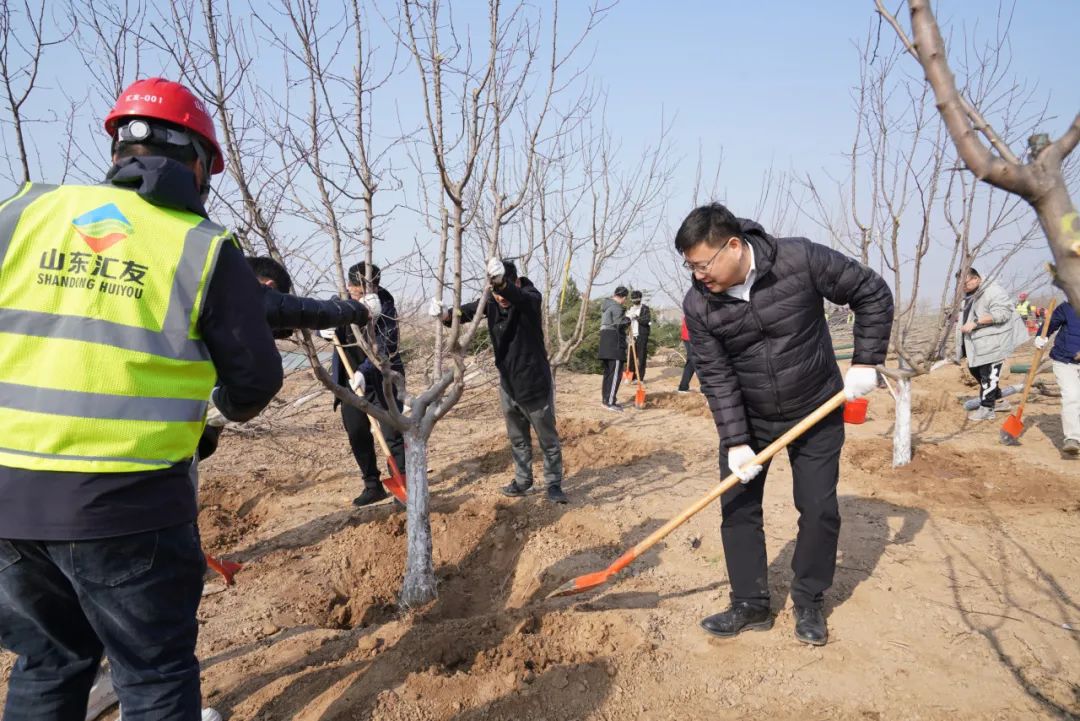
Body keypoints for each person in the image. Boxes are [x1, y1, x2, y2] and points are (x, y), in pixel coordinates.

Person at [0, 77, 282, 721]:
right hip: (127, 508)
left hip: (9, 503)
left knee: (47, 663)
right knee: (153, 676)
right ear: (198, 163)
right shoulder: (199, 245)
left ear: (118, 151)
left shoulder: (23, 211)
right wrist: (214, 414)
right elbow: (256, 379)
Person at [678, 202, 893, 647]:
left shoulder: (800, 259)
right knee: (738, 508)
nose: (698, 276)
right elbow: (715, 375)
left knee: (818, 509)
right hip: (750, 416)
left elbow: (870, 291)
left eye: (702, 265)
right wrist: (736, 440)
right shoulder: (699, 304)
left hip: (816, 406)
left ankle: (809, 599)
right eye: (691, 267)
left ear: (733, 246)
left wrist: (867, 361)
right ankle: (749, 603)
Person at [195, 256, 381, 462]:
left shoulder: (201, 291)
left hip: (183, 439)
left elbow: (383, 345)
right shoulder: (240, 292)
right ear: (268, 287)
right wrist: (359, 310)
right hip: (181, 438)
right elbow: (300, 310)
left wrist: (363, 369)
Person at [430, 259, 567, 503]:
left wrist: (502, 285)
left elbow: (519, 297)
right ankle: (523, 481)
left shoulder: (529, 297)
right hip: (508, 384)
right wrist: (447, 315)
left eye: (503, 290)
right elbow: (465, 312)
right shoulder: (491, 301)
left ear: (516, 282)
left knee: (547, 439)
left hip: (534, 382)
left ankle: (554, 483)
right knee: (518, 439)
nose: (500, 298)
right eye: (495, 292)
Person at [327, 261, 407, 507]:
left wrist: (364, 371)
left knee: (392, 433)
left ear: (374, 288)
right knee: (357, 433)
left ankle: (404, 485)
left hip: (381, 380)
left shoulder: (385, 306)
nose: (356, 295)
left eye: (362, 292)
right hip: (349, 381)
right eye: (354, 290)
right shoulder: (339, 302)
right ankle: (372, 486)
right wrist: (322, 328)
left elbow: (386, 346)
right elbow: (322, 318)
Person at [956, 268, 1028, 421]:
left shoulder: (993, 291)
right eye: (959, 283)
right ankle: (999, 401)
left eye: (965, 282)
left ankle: (987, 408)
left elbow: (1002, 314)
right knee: (975, 369)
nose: (962, 286)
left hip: (994, 342)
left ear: (976, 279)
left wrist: (976, 322)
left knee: (988, 375)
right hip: (978, 343)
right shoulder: (969, 294)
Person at [1035, 302, 1080, 455]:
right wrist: (1041, 336)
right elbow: (1050, 324)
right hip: (1065, 361)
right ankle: (1072, 438)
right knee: (1072, 396)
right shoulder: (1068, 307)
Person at [598, 286, 630, 411]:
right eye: (625, 299)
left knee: (608, 373)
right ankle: (610, 402)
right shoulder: (616, 307)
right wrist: (628, 320)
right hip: (614, 344)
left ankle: (605, 400)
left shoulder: (607, 306)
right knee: (615, 374)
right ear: (624, 297)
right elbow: (619, 324)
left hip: (605, 343)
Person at [627, 290, 652, 383]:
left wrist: (637, 317)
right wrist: (628, 318)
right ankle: (631, 377)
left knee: (641, 357)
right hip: (631, 335)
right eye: (633, 299)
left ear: (640, 299)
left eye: (636, 299)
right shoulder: (630, 309)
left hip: (642, 335)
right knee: (631, 357)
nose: (635, 301)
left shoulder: (645, 308)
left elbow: (646, 321)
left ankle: (640, 378)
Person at [677, 316, 697, 393]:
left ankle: (683, 387)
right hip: (690, 336)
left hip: (694, 335)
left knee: (693, 361)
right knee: (693, 360)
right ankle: (683, 387)